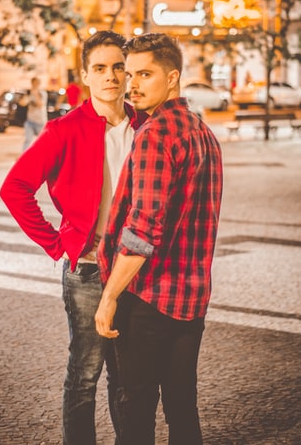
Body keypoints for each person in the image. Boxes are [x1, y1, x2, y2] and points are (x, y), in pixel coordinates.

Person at [0, 30, 146, 445]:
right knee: (85, 373)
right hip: (86, 270)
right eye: (100, 68)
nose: (111, 77)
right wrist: (55, 243)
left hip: (134, 269)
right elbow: (14, 188)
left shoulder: (145, 125)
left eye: (119, 66)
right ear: (85, 75)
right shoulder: (65, 129)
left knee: (128, 376)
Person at [95, 33, 223, 445]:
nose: (132, 84)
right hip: (192, 297)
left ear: (172, 78)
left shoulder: (155, 134)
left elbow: (143, 230)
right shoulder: (203, 132)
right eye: (129, 74)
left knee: (136, 411)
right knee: (183, 406)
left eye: (144, 74)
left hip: (149, 299)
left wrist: (110, 294)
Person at [21, 76, 48, 151]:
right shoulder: (30, 93)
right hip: (30, 121)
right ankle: (24, 157)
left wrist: (36, 94)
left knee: (42, 141)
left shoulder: (42, 93)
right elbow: (22, 103)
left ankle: (46, 157)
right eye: (33, 83)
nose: (34, 85)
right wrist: (28, 96)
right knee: (28, 140)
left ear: (39, 84)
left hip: (40, 122)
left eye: (36, 83)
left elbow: (40, 104)